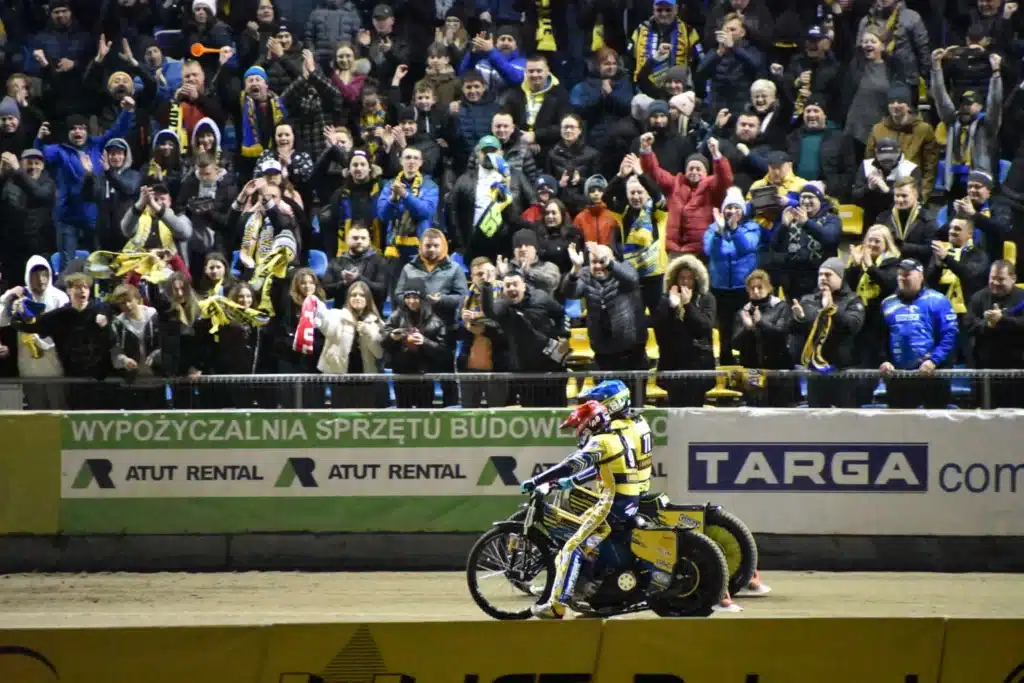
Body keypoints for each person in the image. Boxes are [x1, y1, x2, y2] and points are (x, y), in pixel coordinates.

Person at [520, 400, 639, 619]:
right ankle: (585, 585)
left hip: (612, 504)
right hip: (626, 501)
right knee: (582, 532)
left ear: (590, 423)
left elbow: (571, 466)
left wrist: (537, 480)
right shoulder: (619, 437)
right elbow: (595, 468)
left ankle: (557, 606)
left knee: (571, 547)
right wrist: (566, 482)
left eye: (579, 427)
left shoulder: (601, 441)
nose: (578, 432)